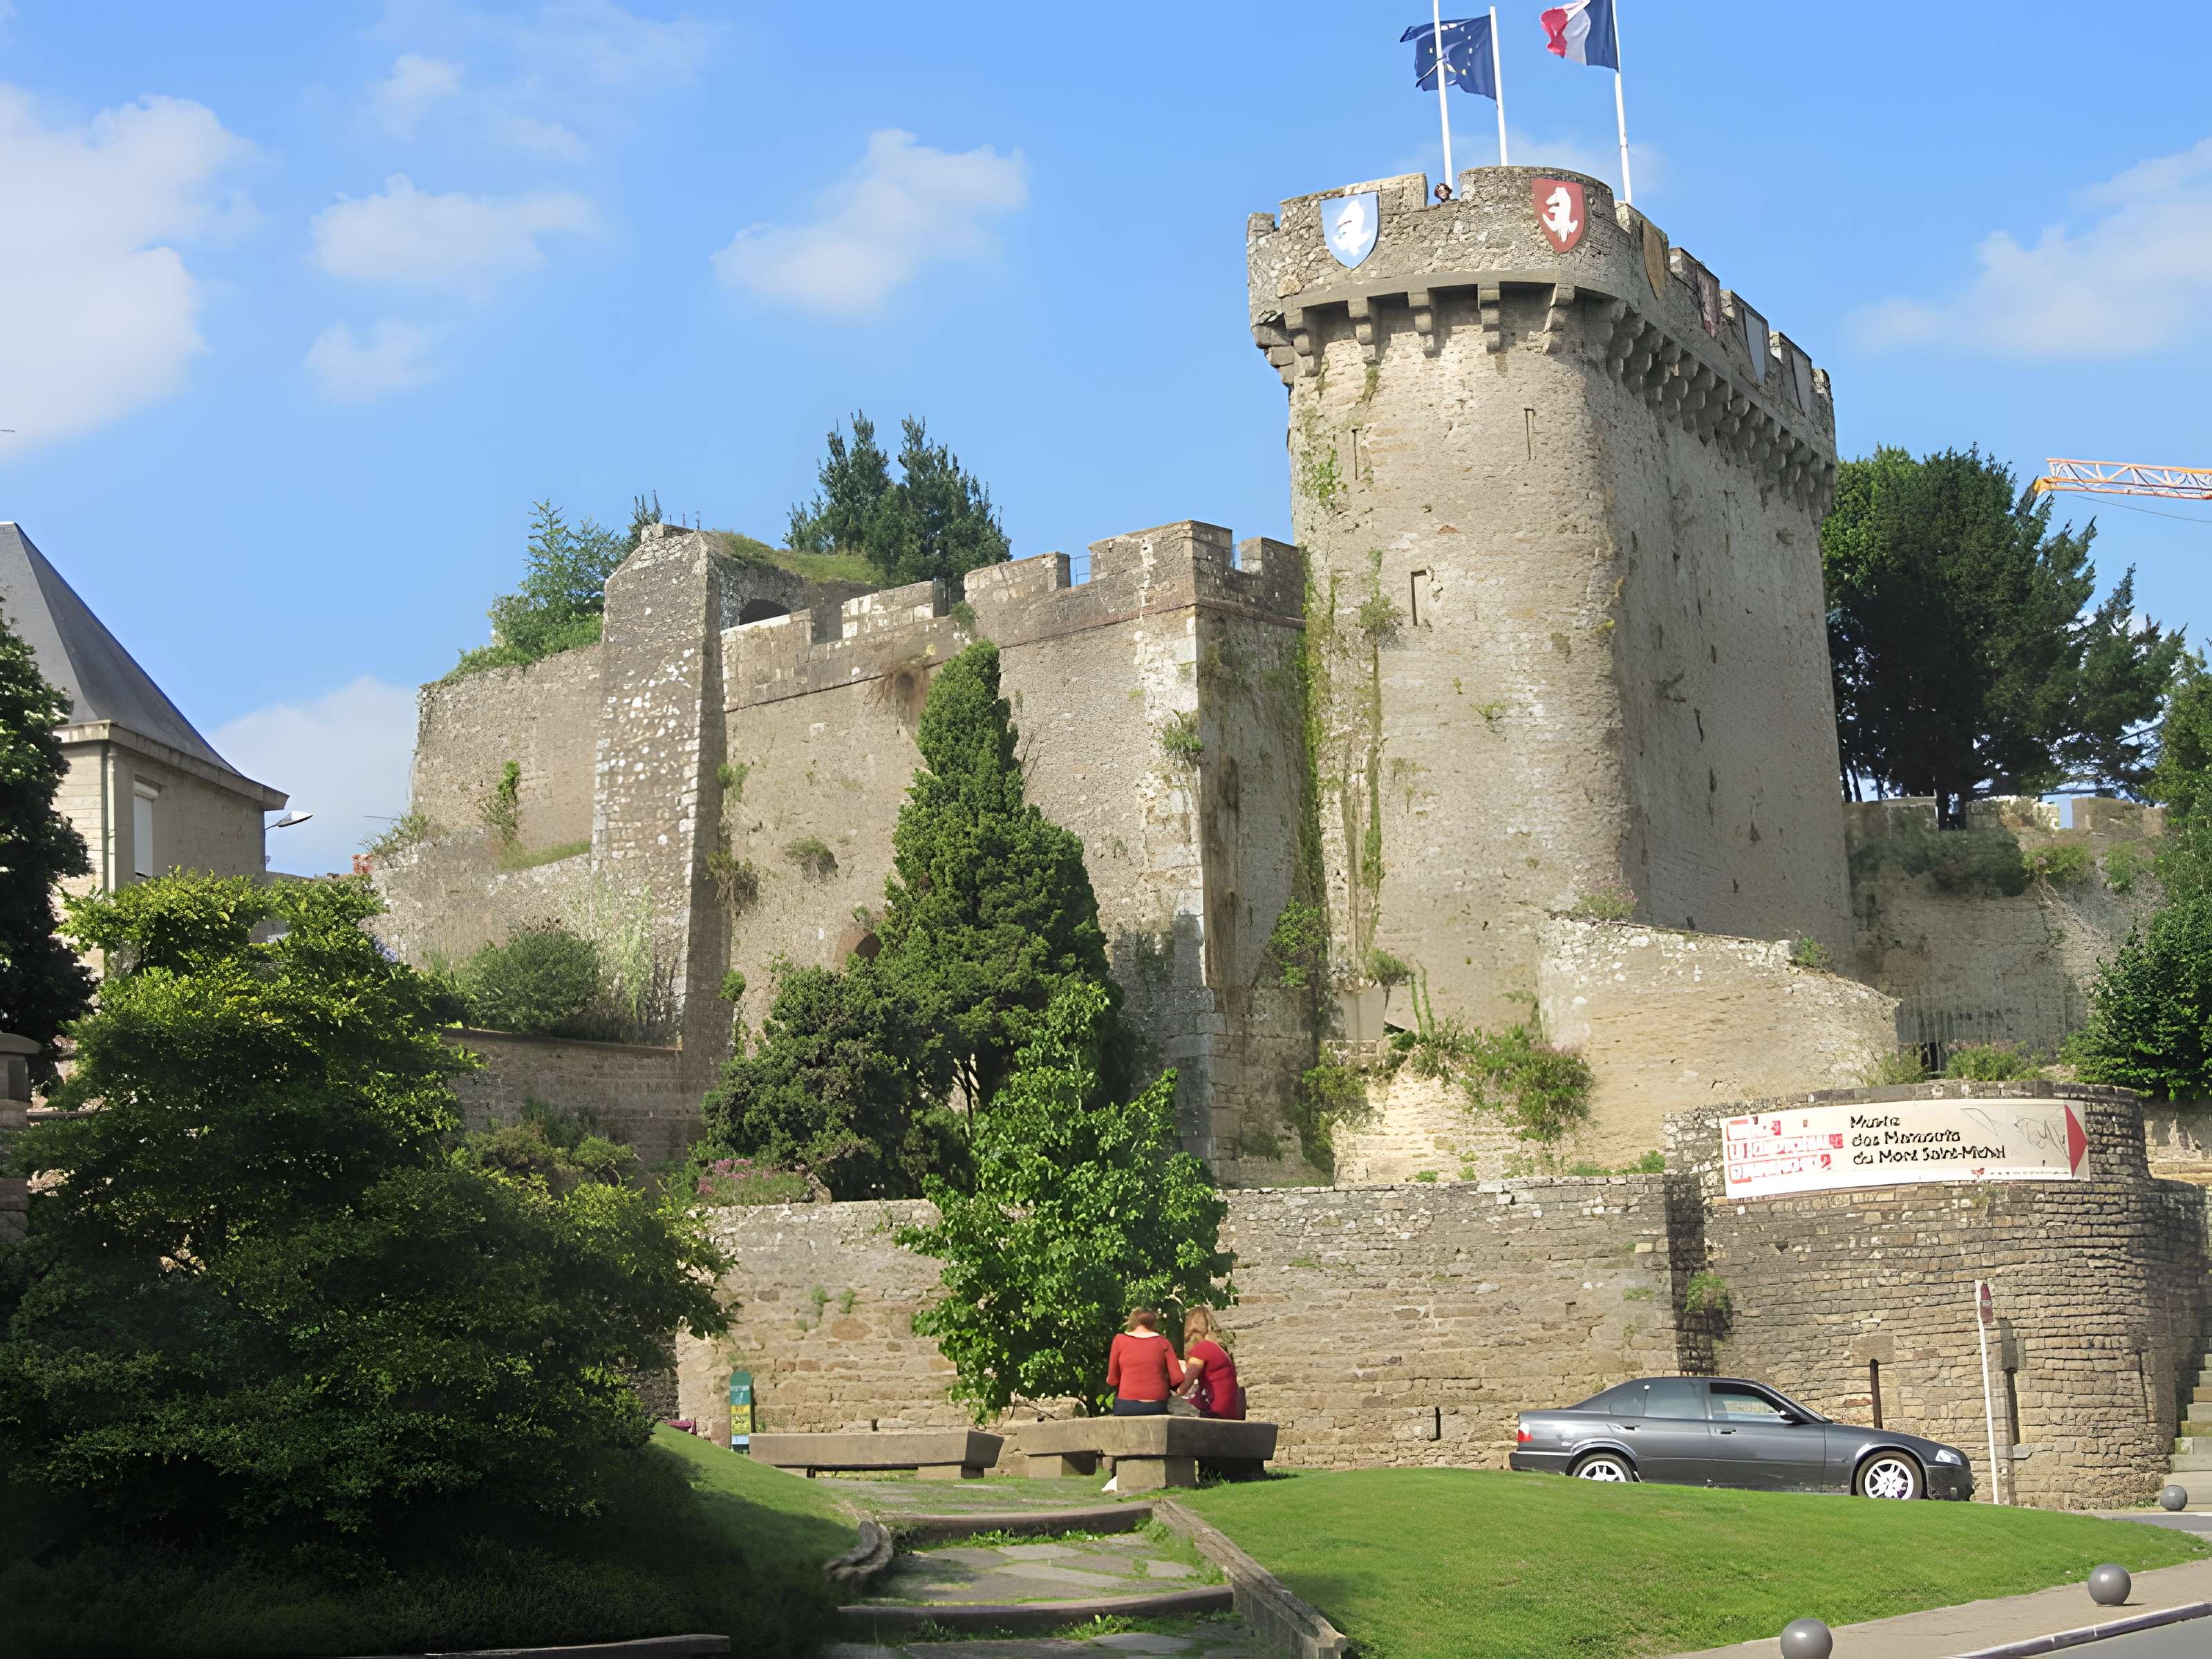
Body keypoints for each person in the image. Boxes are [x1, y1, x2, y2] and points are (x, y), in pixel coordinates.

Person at [1105, 1307, 1183, 1416]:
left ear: (1131, 1322)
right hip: (1158, 1406)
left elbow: (1112, 1380)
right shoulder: (1163, 1342)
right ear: (1154, 1323)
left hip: (1127, 1406)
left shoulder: (1120, 1340)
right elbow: (1177, 1378)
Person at [1178, 1309, 1243, 1420]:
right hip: (1226, 1411)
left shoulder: (1202, 1349)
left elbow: (1183, 1387)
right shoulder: (1215, 1348)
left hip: (1216, 1412)